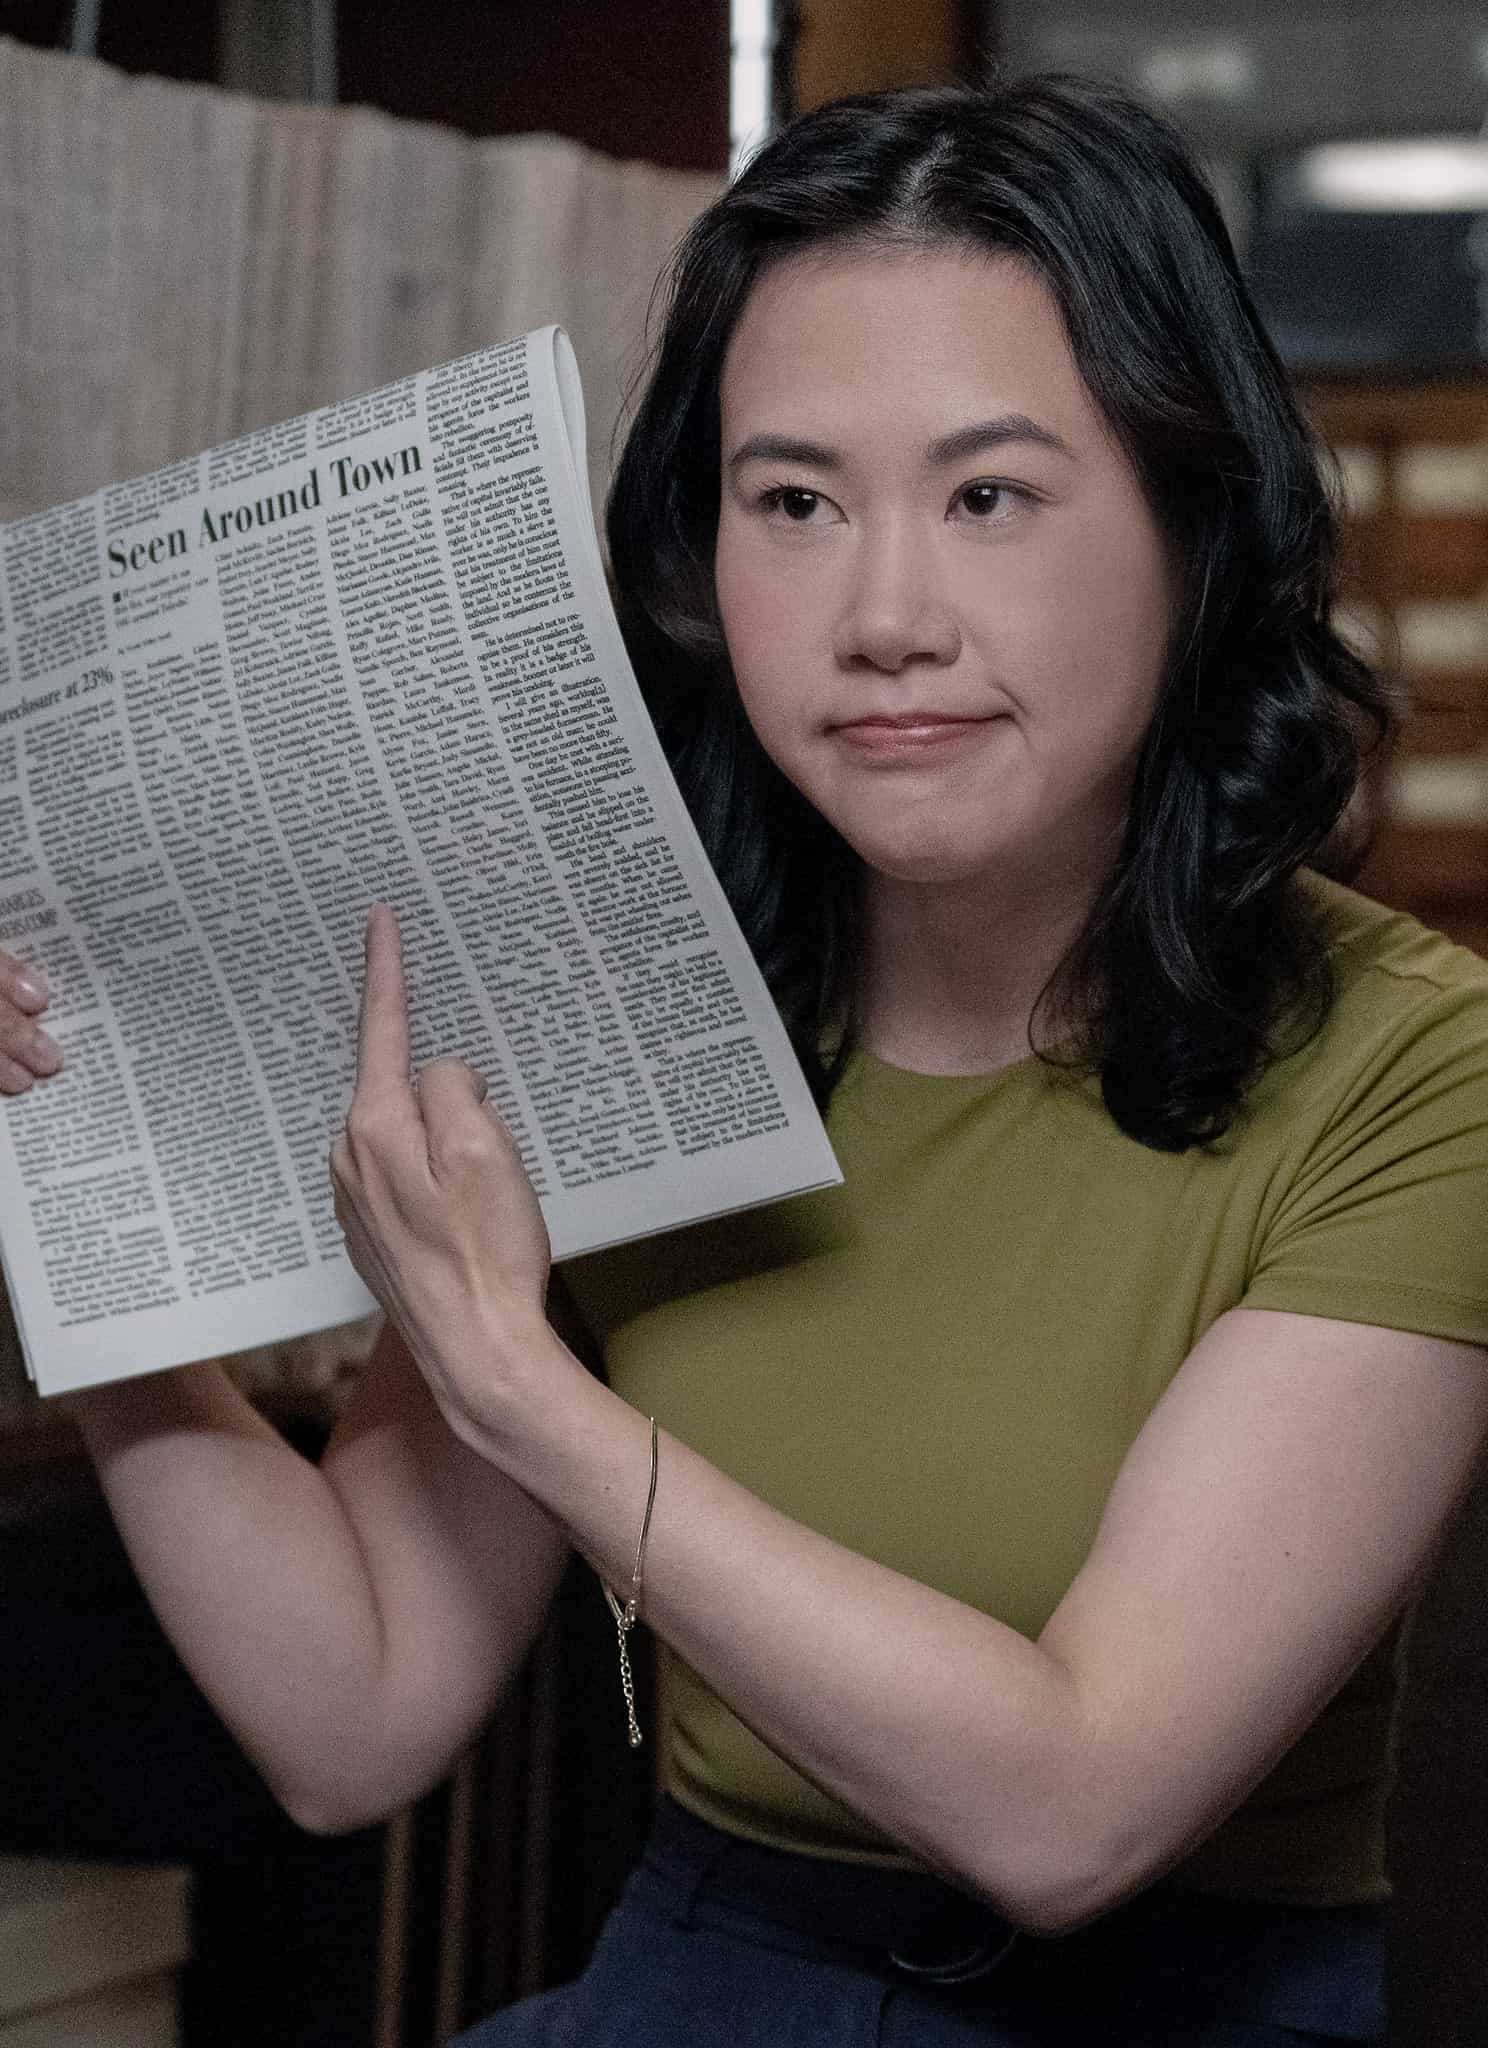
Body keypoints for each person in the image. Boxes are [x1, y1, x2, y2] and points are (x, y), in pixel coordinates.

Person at [3, 73, 1487, 2048]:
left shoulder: (1417, 1066)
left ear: (1193, 526)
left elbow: (1072, 1804)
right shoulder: (624, 1005)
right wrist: (69, 1176)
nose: (882, 617)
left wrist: (525, 1384)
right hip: (705, 1974)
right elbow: (347, 1714)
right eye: (794, 501)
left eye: (991, 496)